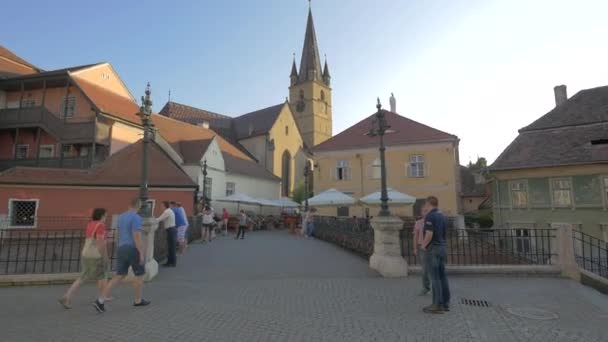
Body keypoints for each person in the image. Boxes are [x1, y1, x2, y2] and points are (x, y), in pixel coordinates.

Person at [100, 199, 150, 311]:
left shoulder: (121, 217)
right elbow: (136, 236)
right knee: (139, 275)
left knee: (119, 275)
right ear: (139, 207)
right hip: (133, 248)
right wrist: (141, 253)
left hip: (121, 248)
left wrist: (119, 246)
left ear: (129, 205)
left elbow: (117, 234)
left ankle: (100, 299)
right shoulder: (136, 218)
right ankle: (138, 300)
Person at [59, 208, 109, 310]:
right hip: (96, 256)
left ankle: (67, 296)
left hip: (85, 254)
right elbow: (100, 243)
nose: (106, 218)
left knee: (82, 277)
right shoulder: (100, 226)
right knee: (103, 277)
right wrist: (105, 257)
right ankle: (101, 300)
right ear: (102, 216)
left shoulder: (90, 224)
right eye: (106, 215)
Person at [420, 196, 451, 314]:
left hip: (433, 249)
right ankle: (445, 302)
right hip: (442, 247)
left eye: (426, 204)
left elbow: (429, 233)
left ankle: (437, 304)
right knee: (442, 276)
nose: (425, 206)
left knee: (435, 278)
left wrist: (423, 246)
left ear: (429, 204)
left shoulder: (430, 216)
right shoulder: (441, 215)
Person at [413, 207, 431, 296]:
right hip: (422, 247)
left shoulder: (433, 221)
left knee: (434, 268)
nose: (426, 213)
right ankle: (425, 287)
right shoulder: (418, 223)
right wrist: (415, 248)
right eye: (424, 211)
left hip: (432, 247)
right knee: (424, 269)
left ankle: (436, 287)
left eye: (427, 211)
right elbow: (415, 236)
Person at [157, 201, 177, 267]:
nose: (160, 207)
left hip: (170, 230)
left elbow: (159, 219)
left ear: (164, 206)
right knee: (171, 247)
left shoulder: (167, 212)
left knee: (171, 247)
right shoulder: (169, 211)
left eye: (161, 206)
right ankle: (171, 262)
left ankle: (171, 262)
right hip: (172, 229)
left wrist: (152, 220)